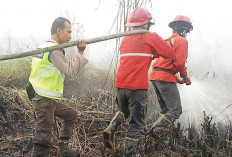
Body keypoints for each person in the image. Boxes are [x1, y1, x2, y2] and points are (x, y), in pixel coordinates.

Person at [103, 7, 174, 156]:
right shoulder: (151, 37)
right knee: (136, 124)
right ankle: (130, 154)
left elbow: (144, 54)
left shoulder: (125, 39)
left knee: (123, 111)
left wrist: (153, 51)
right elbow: (168, 54)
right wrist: (162, 42)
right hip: (137, 88)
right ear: (146, 24)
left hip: (121, 85)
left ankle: (111, 127)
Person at [28, 17, 88, 157]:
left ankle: (63, 151)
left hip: (47, 99)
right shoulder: (54, 50)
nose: (70, 36)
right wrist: (80, 52)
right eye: (68, 32)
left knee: (71, 115)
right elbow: (71, 71)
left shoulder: (43, 47)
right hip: (45, 101)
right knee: (43, 138)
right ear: (59, 30)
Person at [149, 15, 193, 137]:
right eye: (187, 29)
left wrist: (177, 79)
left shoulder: (166, 40)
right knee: (175, 110)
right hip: (164, 79)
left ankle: (161, 138)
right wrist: (185, 77)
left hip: (155, 77)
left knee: (166, 111)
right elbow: (179, 63)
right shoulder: (182, 41)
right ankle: (155, 130)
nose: (187, 32)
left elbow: (163, 64)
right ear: (184, 29)